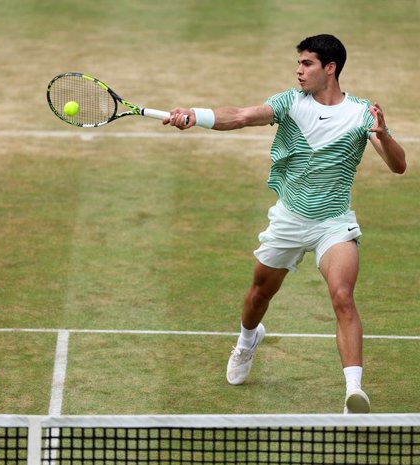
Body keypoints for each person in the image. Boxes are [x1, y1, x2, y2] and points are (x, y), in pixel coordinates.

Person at [164, 34, 406, 413]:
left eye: (307, 64)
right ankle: (247, 342)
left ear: (330, 68)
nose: (298, 71)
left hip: (334, 223)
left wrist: (383, 132)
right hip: (289, 218)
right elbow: (242, 116)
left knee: (342, 296)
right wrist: (197, 116)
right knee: (259, 293)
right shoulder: (290, 103)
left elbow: (398, 165)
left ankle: (353, 393)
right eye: (298, 63)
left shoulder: (362, 114)